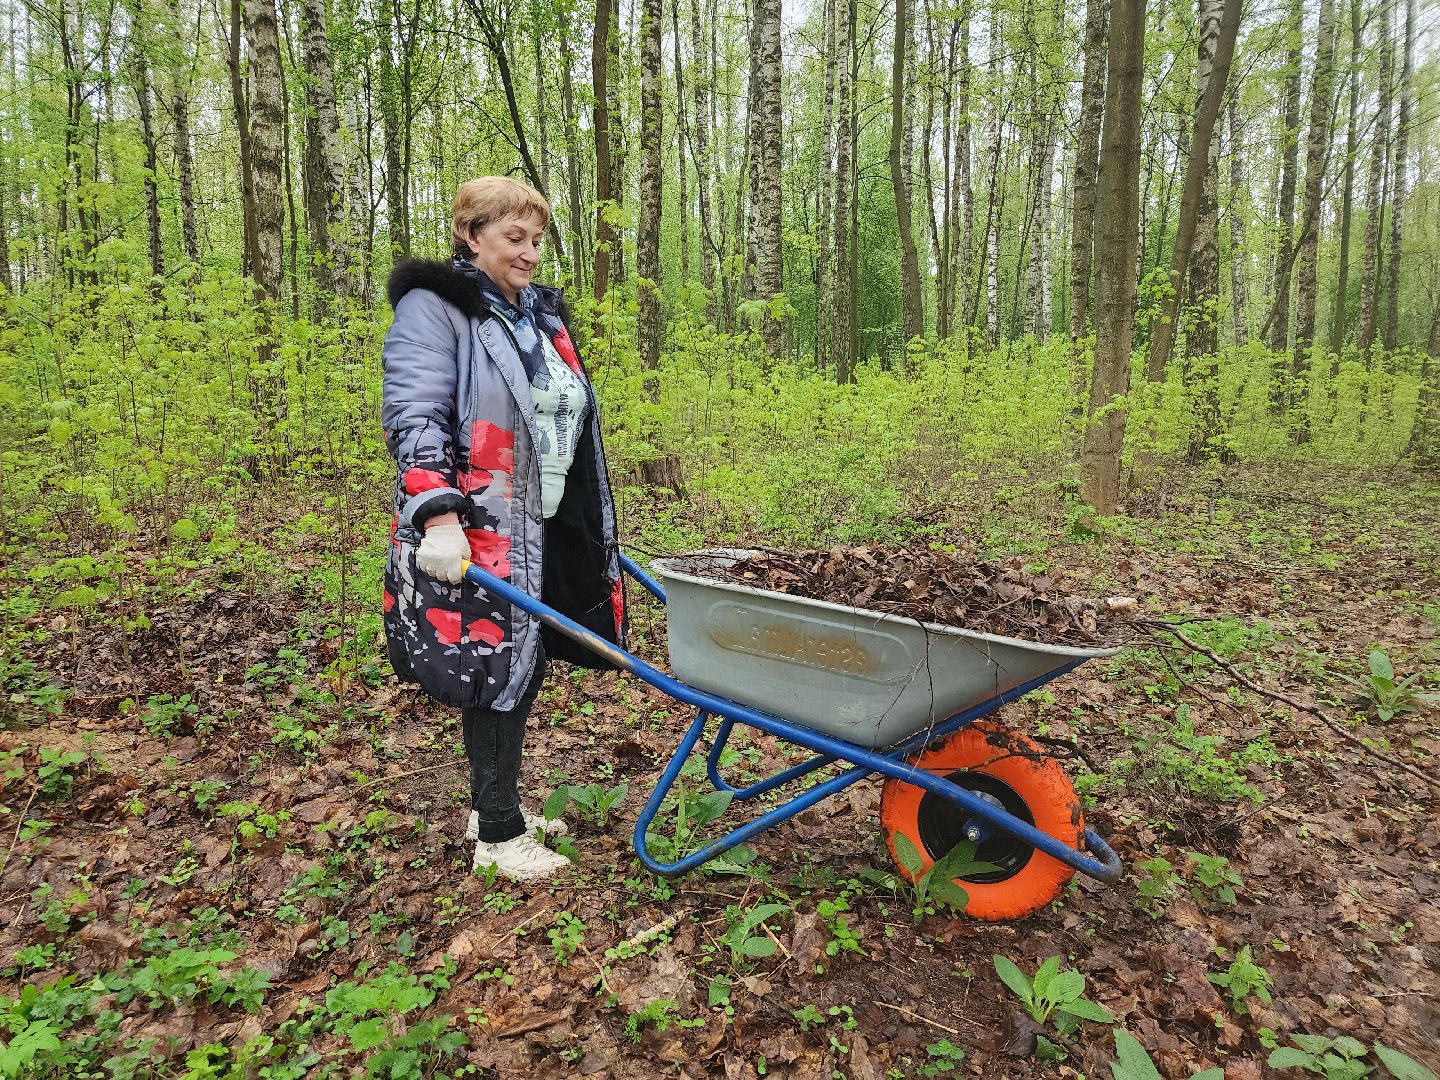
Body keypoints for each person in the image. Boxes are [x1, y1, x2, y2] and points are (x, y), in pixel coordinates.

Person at [381, 176, 627, 882]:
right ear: (471, 234)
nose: (529, 253)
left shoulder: (537, 318)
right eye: (513, 238)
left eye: (537, 239)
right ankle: (497, 834)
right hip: (477, 527)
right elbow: (415, 414)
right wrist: (438, 515)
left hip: (539, 523)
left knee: (521, 662)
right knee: (494, 672)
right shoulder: (437, 310)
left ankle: (495, 804)